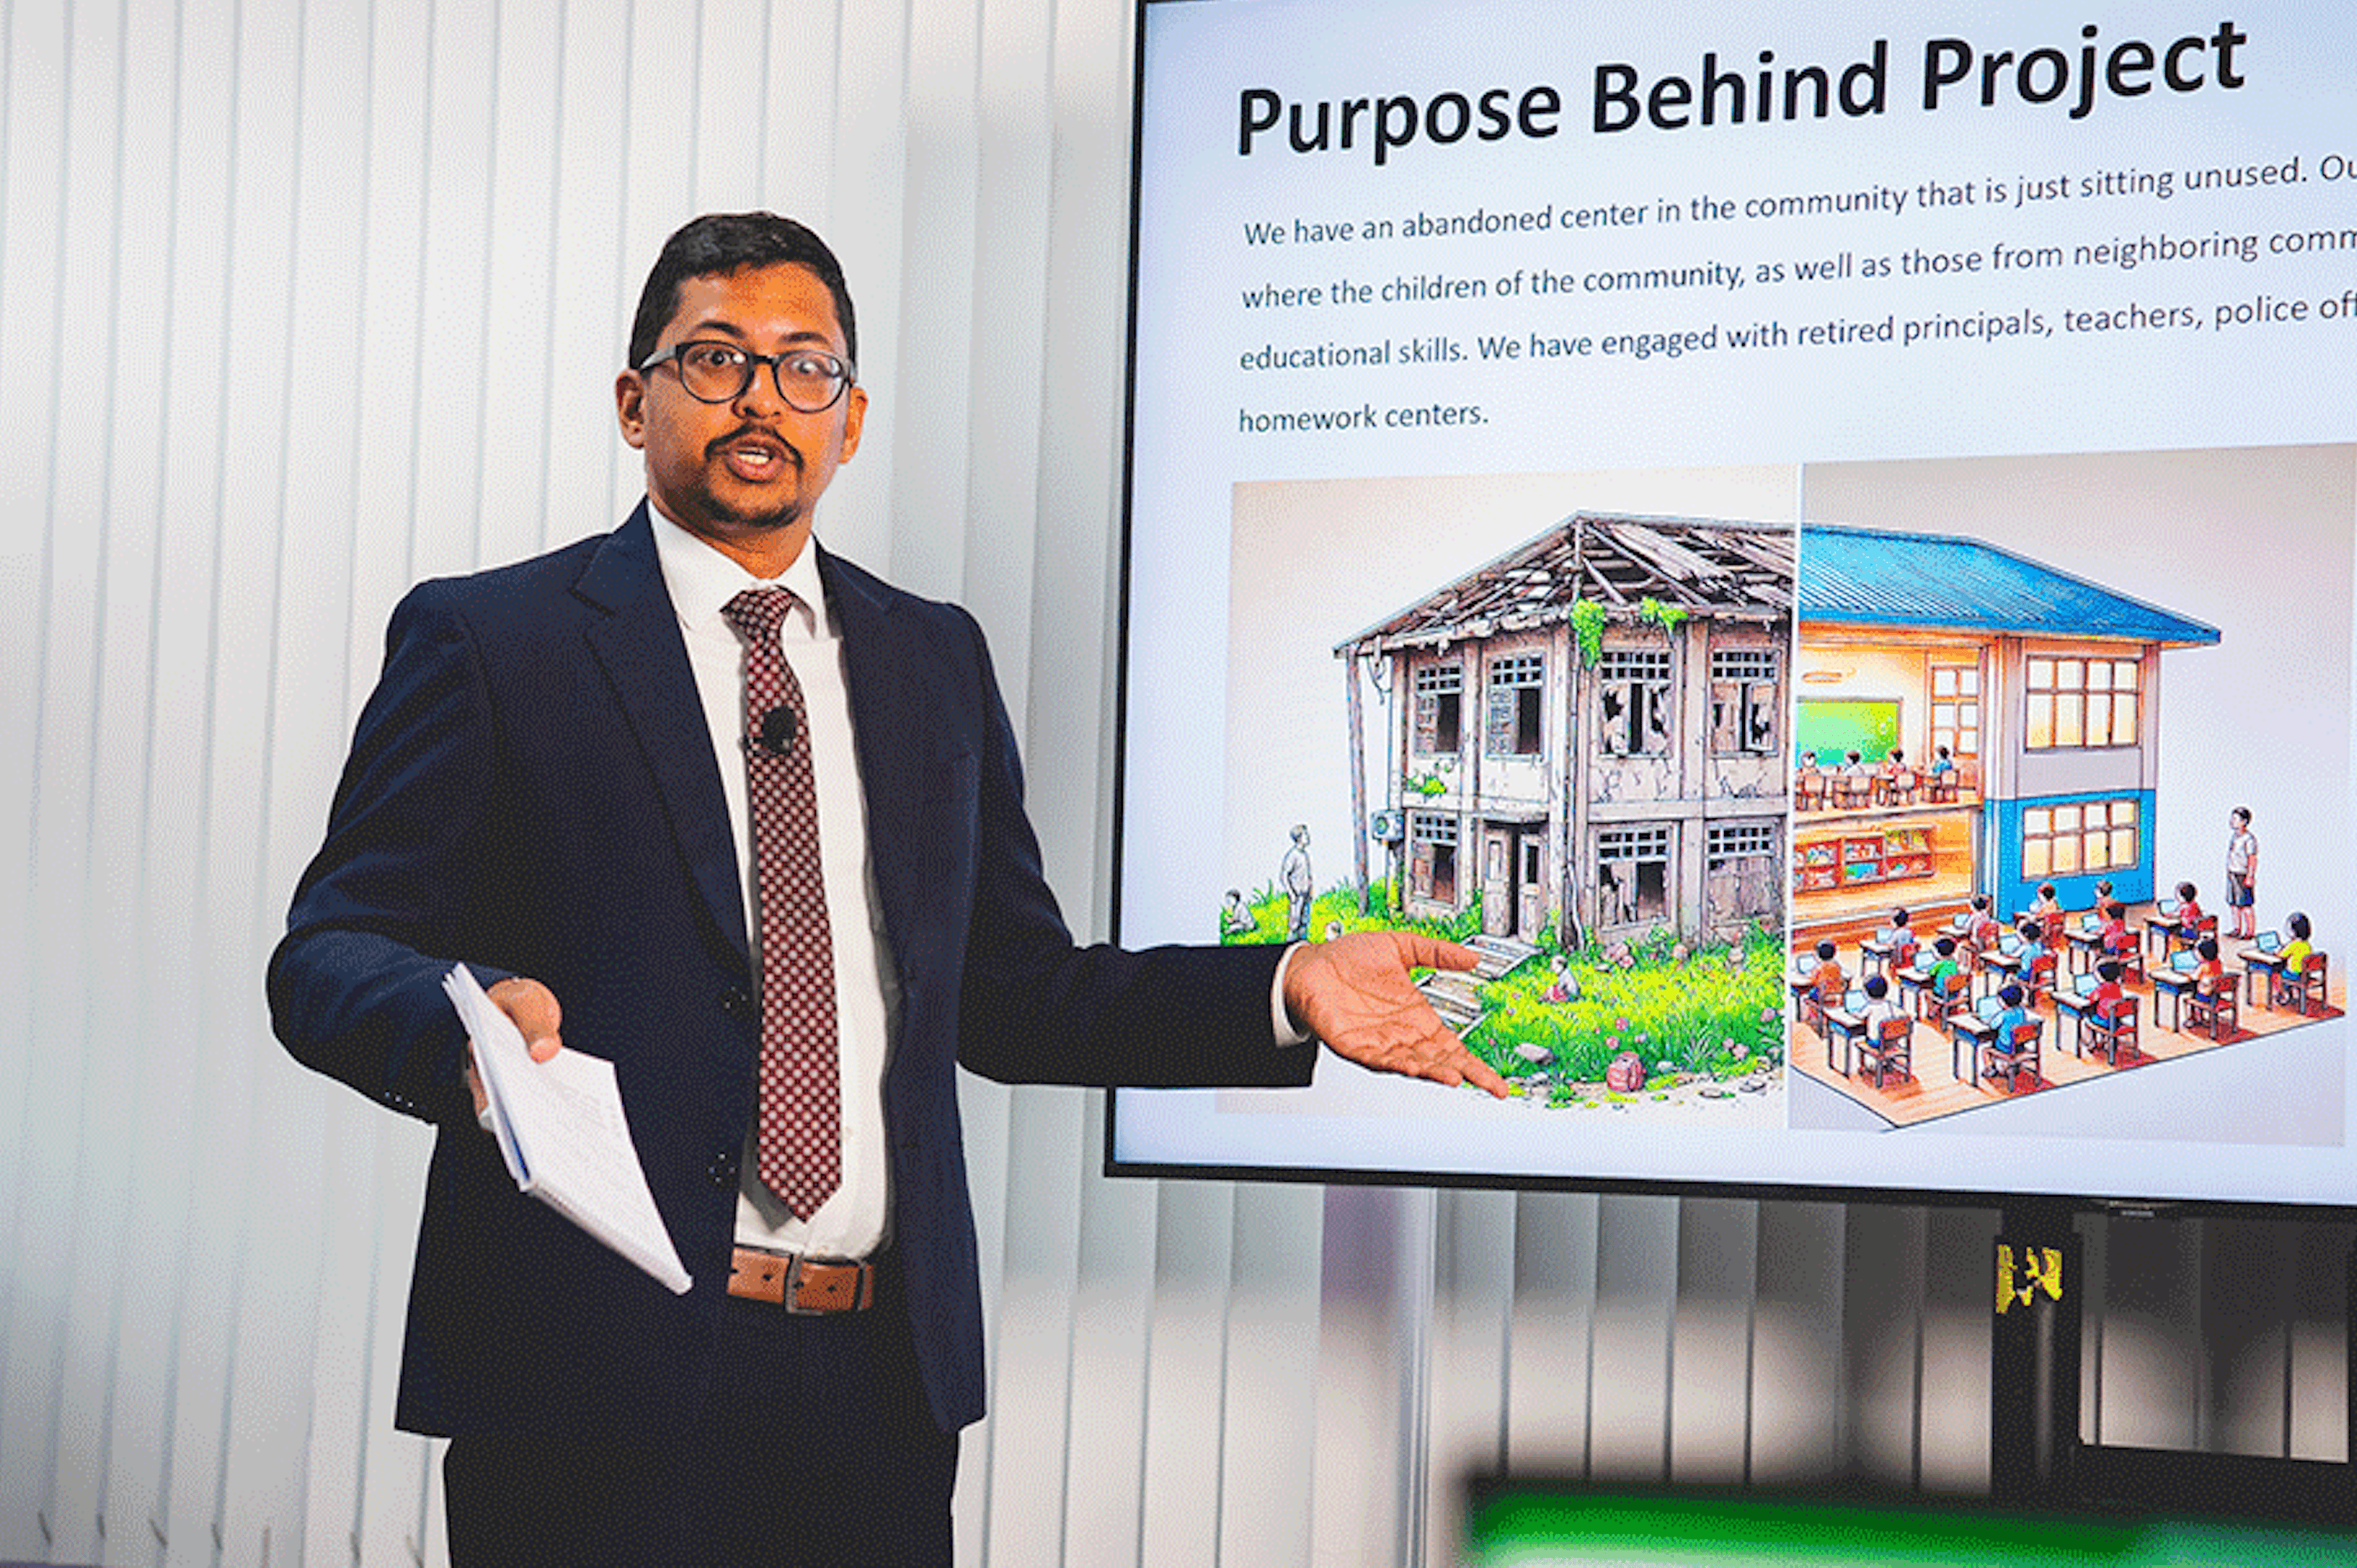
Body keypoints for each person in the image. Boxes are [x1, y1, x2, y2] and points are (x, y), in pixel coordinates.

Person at [266, 212, 1508, 1566]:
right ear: (635, 402)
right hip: (587, 1383)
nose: (762, 399)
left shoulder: (932, 658)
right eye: (716, 359)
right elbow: (328, 948)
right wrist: (465, 1025)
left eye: (806, 367)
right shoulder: (494, 640)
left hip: (873, 1399)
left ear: (850, 421)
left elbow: (1016, 996)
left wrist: (1282, 984)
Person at [2225, 805, 2260, 939]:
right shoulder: (2234, 837)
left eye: (2235, 819)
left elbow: (2252, 858)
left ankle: (2250, 932)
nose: (2232, 821)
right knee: (2233, 904)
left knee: (2245, 905)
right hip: (2232, 872)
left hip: (2243, 874)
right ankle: (2237, 929)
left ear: (2244, 821)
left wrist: (2250, 876)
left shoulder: (2249, 839)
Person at [1281, 822, 1316, 941]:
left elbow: (1308, 876)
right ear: (1299, 838)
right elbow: (1284, 875)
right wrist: (1291, 893)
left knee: (1305, 922)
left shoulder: (1305, 855)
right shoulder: (1293, 855)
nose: (1308, 837)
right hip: (1297, 895)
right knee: (1294, 923)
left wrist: (1311, 890)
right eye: (1306, 835)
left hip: (1305, 894)